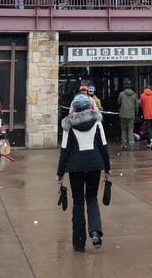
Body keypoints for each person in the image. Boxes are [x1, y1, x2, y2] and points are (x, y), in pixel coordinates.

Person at [56, 94, 110, 252]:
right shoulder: (97, 122)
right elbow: (104, 148)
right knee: (92, 198)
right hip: (95, 164)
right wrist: (107, 169)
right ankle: (95, 231)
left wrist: (60, 174)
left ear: (74, 108)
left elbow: (64, 151)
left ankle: (79, 242)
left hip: (75, 166)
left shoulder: (69, 124)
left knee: (78, 201)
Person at [117, 81, 138, 150]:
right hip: (131, 114)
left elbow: (119, 102)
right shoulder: (134, 95)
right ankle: (131, 144)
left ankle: (124, 144)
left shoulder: (121, 94)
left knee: (123, 129)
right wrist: (136, 114)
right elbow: (136, 106)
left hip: (123, 114)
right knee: (130, 129)